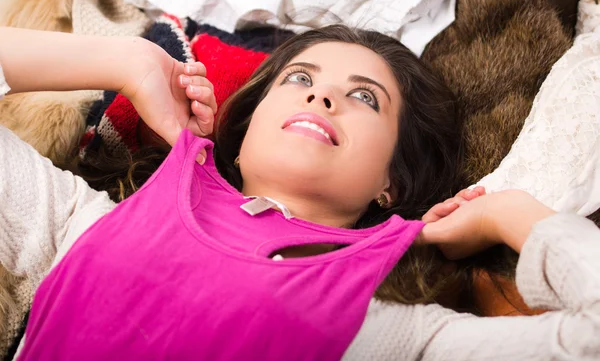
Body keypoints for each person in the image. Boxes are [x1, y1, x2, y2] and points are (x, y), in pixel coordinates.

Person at [0, 25, 599, 360]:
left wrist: (511, 215)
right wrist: (123, 58)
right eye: (300, 79)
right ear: (248, 123)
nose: (322, 97)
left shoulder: (385, 333)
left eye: (365, 97)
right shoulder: (79, 224)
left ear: (391, 181)